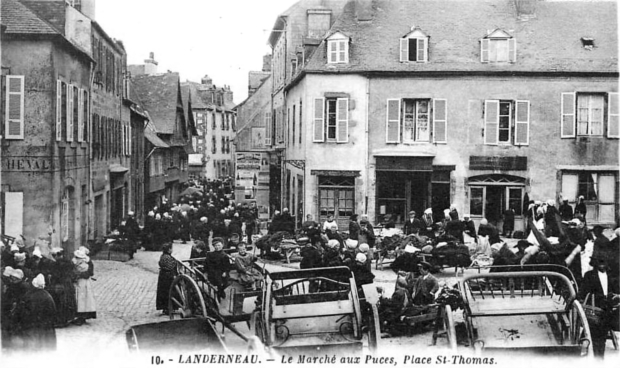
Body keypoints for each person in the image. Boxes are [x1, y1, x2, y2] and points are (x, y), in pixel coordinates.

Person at [577, 252, 619, 358]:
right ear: (595, 263)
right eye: (599, 262)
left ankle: (600, 358)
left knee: (602, 338)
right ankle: (596, 358)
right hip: (594, 310)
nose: (602, 264)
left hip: (608, 310)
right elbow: (582, 292)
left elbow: (616, 291)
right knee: (595, 338)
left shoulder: (611, 276)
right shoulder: (589, 275)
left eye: (604, 262)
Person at [15, 274, 57, 351]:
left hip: (32, 325)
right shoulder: (48, 296)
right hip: (46, 325)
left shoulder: (28, 295)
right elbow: (53, 312)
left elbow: (22, 311)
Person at [48, 247, 76, 327]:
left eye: (54, 256)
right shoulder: (68, 262)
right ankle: (66, 319)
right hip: (67, 284)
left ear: (57, 255)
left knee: (61, 302)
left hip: (61, 284)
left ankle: (61, 321)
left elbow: (58, 275)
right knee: (66, 302)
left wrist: (52, 276)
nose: (53, 258)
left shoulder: (60, 264)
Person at [72, 247, 96, 325]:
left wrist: (80, 275)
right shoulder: (78, 263)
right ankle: (80, 316)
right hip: (80, 283)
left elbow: (90, 273)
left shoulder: (87, 264)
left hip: (84, 283)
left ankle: (82, 317)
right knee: (80, 299)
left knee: (82, 300)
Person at [156, 243, 177, 315]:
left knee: (164, 292)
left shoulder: (163, 256)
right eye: (171, 248)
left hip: (164, 276)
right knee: (168, 291)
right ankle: (168, 307)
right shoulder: (167, 257)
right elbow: (170, 267)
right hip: (168, 277)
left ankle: (166, 307)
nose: (172, 250)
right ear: (168, 250)